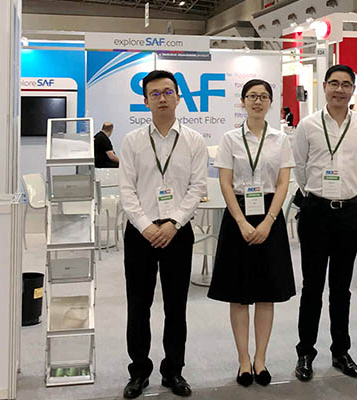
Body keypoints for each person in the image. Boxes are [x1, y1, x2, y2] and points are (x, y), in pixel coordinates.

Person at [118, 70, 207, 399]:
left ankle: (173, 371)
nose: (162, 98)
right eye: (154, 94)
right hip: (140, 234)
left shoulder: (194, 140)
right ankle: (139, 371)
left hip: (177, 232)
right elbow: (127, 190)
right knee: (138, 306)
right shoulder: (133, 141)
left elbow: (197, 188)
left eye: (168, 92)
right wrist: (146, 226)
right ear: (145, 101)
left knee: (176, 306)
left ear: (179, 97)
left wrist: (174, 223)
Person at [207, 79, 296, 387]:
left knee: (267, 293)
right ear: (243, 101)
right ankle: (244, 360)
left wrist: (269, 221)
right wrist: (242, 222)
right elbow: (225, 183)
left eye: (263, 97)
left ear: (270, 102)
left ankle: (261, 359)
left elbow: (283, 183)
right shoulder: (230, 139)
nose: (258, 101)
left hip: (270, 215)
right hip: (238, 215)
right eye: (252, 96)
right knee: (239, 294)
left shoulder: (280, 139)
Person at [291, 64, 357, 381]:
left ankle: (341, 351)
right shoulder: (308, 125)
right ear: (324, 86)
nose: (340, 90)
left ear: (353, 89)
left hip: (349, 212)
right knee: (312, 287)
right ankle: (305, 353)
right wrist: (319, 193)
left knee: (341, 288)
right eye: (334, 83)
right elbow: (300, 167)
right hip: (316, 212)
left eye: (346, 84)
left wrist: (344, 189)